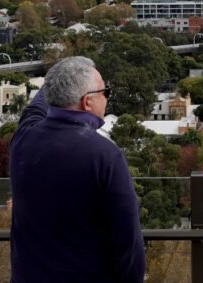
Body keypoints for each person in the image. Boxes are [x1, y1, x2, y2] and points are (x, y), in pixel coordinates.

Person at [9, 56, 145, 283]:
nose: (107, 98)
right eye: (105, 91)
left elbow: (35, 108)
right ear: (87, 101)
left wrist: (62, 74)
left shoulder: (23, 140)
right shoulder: (105, 155)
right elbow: (128, 240)